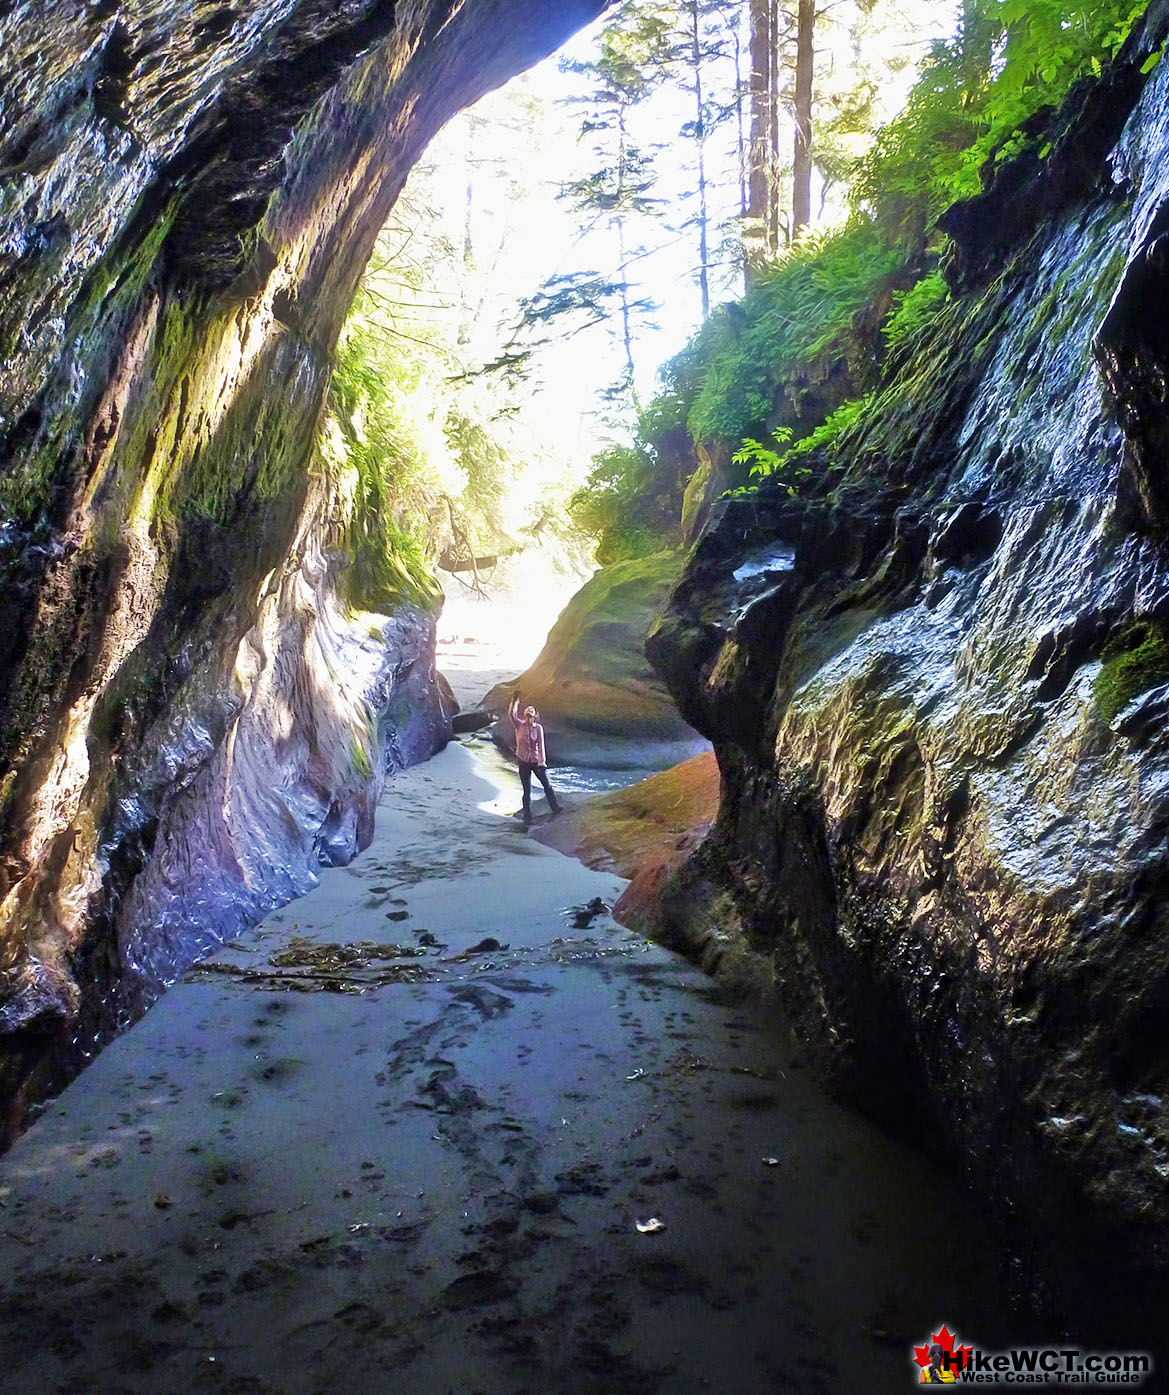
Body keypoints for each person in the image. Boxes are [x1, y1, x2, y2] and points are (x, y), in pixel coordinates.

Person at [508, 694, 560, 828]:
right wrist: (515, 702)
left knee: (547, 785)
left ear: (535, 716)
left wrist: (542, 763)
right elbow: (512, 715)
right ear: (524, 716)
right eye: (526, 715)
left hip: (535, 761)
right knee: (527, 790)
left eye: (531, 716)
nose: (528, 718)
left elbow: (541, 746)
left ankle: (555, 807)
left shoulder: (538, 728)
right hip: (523, 761)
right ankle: (527, 817)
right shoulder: (519, 725)